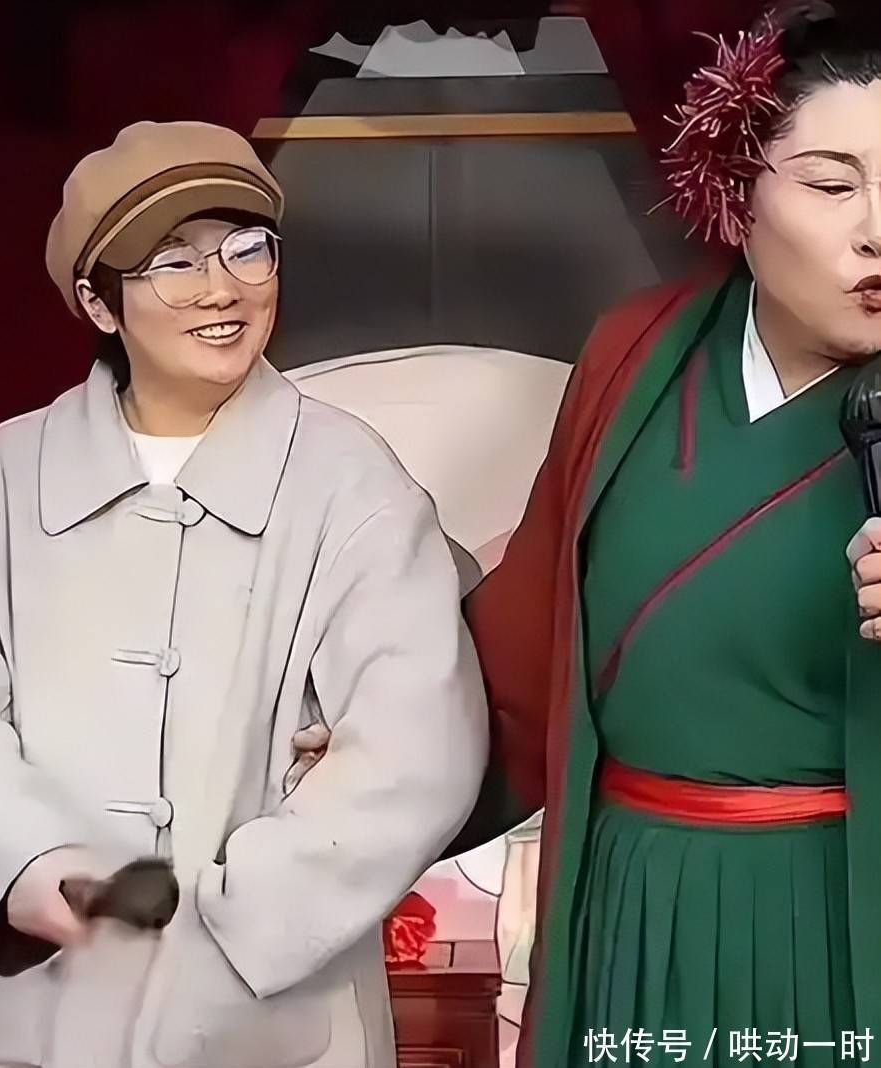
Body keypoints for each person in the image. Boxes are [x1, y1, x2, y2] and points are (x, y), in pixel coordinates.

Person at [0, 120, 487, 1068]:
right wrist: (24, 862)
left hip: (267, 1018)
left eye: (247, 249)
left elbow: (417, 744)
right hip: (38, 1019)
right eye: (172, 262)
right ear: (99, 302)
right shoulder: (2, 480)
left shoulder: (352, 484)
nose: (222, 289)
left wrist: (244, 918)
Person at [442, 5, 881, 1064]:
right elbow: (520, 655)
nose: (879, 230)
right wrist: (382, 744)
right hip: (630, 896)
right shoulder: (636, 353)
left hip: (839, 906)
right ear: (735, 190)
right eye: (832, 186)